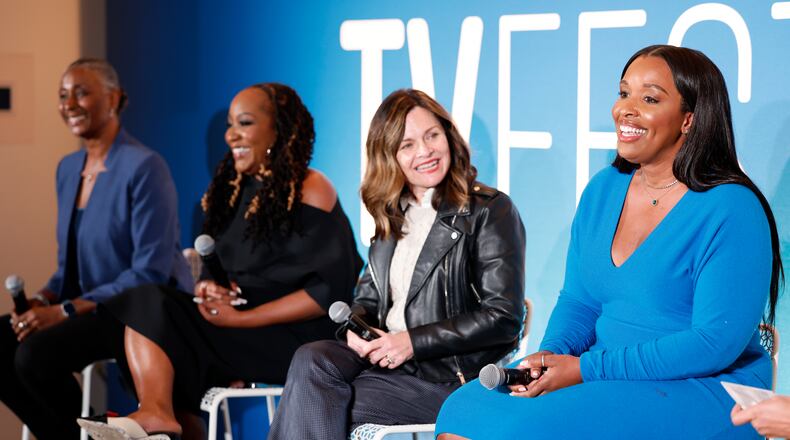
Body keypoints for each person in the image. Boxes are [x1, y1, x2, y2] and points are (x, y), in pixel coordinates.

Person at [435, 45, 783, 439]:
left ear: (689, 119)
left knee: (531, 427)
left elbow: (712, 343)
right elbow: (579, 301)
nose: (625, 109)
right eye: (623, 93)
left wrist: (584, 370)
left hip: (701, 388)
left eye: (649, 98)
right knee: (464, 408)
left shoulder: (732, 207)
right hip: (605, 376)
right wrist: (551, 359)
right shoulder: (603, 189)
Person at [77, 82, 364, 439]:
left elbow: (329, 292)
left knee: (157, 310)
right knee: (145, 302)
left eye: (244, 123)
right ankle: (162, 414)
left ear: (279, 129)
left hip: (294, 338)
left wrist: (243, 319)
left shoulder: (310, 187)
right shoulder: (231, 190)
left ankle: (166, 419)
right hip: (235, 326)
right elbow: (226, 271)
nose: (231, 135)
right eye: (230, 124)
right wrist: (209, 287)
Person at [268, 88, 526, 439]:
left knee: (313, 404)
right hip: (384, 364)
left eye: (432, 135)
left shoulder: (489, 210)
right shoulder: (392, 214)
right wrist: (354, 332)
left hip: (447, 377)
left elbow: (503, 318)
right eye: (407, 145)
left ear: (448, 136)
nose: (425, 151)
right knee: (312, 359)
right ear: (389, 156)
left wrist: (411, 342)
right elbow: (367, 302)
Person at [0, 58, 192, 440]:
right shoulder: (68, 168)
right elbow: (66, 268)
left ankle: (93, 431)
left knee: (35, 356)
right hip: (87, 310)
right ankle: (76, 433)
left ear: (114, 98)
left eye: (81, 92)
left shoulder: (145, 166)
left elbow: (149, 272)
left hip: (136, 314)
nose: (69, 103)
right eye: (62, 95)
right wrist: (41, 301)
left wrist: (65, 310)